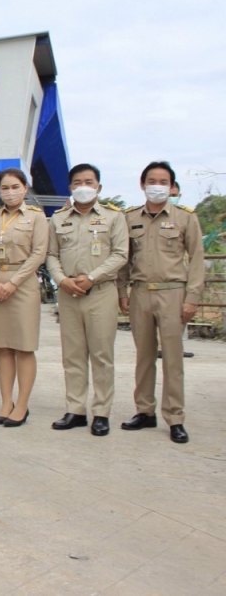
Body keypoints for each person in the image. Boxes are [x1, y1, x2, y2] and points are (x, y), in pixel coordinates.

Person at [118, 161, 204, 444]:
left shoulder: (185, 217)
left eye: (163, 182)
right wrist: (122, 292)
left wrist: (192, 298)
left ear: (172, 186)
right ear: (142, 185)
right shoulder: (130, 218)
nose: (157, 186)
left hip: (173, 294)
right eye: (152, 181)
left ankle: (175, 417)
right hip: (141, 292)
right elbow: (124, 259)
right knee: (143, 357)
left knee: (172, 359)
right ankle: (144, 411)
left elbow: (197, 259)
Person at [46, 164, 128, 437]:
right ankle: (76, 410)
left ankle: (101, 412)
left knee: (102, 355)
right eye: (78, 182)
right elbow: (51, 255)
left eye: (89, 182)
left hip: (101, 292)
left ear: (98, 187)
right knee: (73, 355)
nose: (83, 187)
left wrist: (92, 277)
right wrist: (61, 280)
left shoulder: (113, 217)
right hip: (68, 293)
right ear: (70, 187)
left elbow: (120, 254)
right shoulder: (58, 219)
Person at [0, 168, 48, 427]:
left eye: (15, 187)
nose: (10, 192)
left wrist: (13, 283)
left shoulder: (37, 217)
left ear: (25, 188)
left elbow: (39, 253)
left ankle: (22, 404)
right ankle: (6, 401)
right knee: (4, 346)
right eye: (5, 188)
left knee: (24, 347)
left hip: (23, 284)